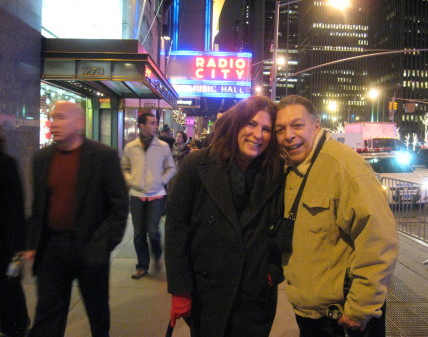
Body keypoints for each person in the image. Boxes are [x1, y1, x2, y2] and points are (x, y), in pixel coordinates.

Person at [274, 95, 399, 337]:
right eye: (281, 129)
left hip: (343, 318)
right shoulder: (291, 168)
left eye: (297, 125)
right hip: (310, 313)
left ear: (317, 125)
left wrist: (360, 307)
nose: (289, 135)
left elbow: (379, 240)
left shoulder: (343, 166)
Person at [165, 95, 284, 337]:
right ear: (235, 124)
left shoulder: (275, 172)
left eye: (266, 129)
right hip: (206, 292)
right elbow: (177, 228)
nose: (258, 135)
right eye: (251, 124)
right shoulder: (197, 164)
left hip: (254, 295)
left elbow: (283, 227)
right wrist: (180, 291)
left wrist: (272, 272)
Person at [24, 101, 129, 337]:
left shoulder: (103, 156)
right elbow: (38, 205)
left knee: (96, 309)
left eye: (60, 117)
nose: (53, 123)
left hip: (90, 246)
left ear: (79, 123)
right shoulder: (41, 158)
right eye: (52, 117)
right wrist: (32, 244)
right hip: (51, 248)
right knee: (48, 312)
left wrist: (104, 244)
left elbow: (119, 205)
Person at [121, 113, 176, 279]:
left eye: (155, 123)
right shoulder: (131, 147)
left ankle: (157, 256)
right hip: (137, 195)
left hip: (157, 195)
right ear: (141, 125)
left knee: (153, 230)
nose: (155, 126)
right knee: (139, 233)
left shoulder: (163, 146)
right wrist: (132, 181)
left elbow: (171, 168)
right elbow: (125, 168)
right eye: (151, 123)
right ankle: (142, 265)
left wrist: (161, 180)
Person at [0, 129, 29, 337]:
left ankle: (13, 324)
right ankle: (17, 321)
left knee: (10, 281)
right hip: (11, 239)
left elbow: (17, 206)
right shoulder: (8, 163)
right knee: (9, 283)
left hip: (10, 241)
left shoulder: (7, 163)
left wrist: (20, 245)